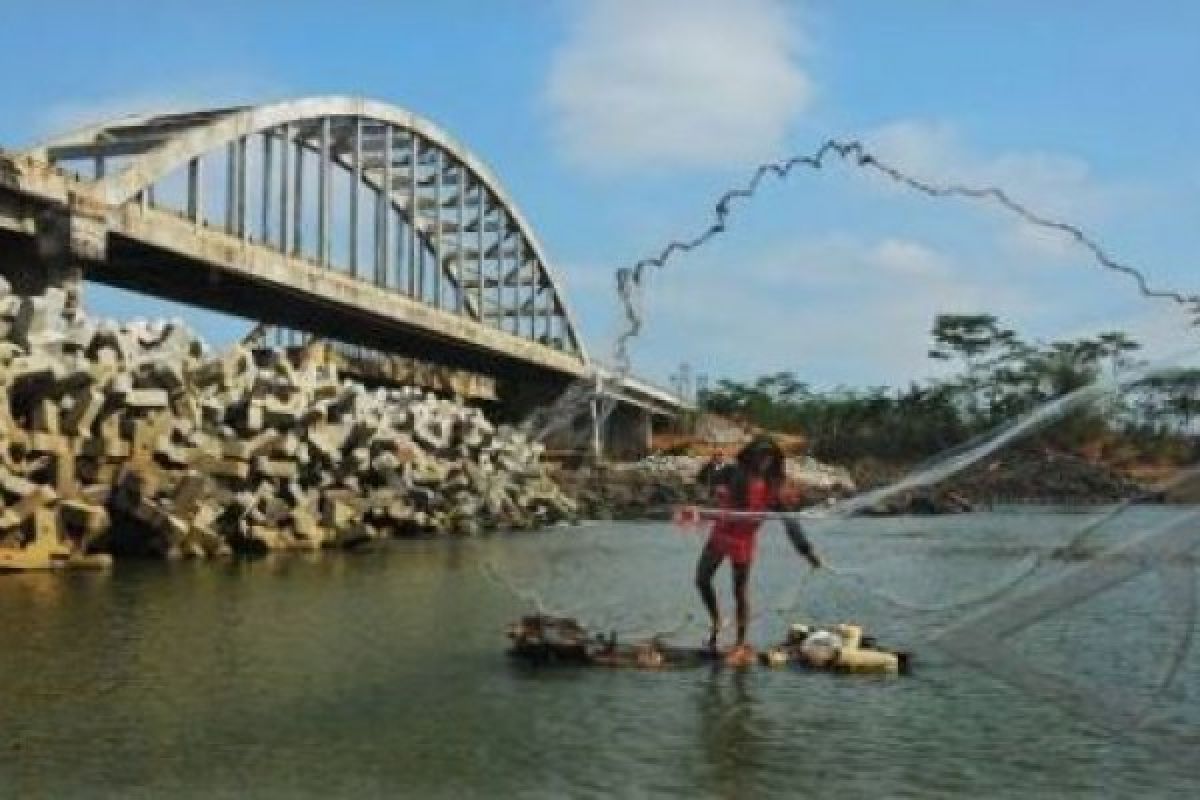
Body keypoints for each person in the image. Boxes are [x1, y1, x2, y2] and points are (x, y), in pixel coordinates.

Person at [694, 435, 821, 661]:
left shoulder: (773, 488)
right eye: (760, 455)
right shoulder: (734, 472)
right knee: (702, 579)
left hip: (744, 539)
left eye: (769, 457)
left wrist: (806, 551)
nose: (764, 460)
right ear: (751, 456)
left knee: (740, 591)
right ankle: (716, 621)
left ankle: (740, 643)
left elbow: (789, 522)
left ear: (774, 460)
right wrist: (711, 465)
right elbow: (706, 477)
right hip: (722, 532)